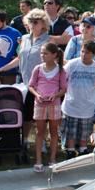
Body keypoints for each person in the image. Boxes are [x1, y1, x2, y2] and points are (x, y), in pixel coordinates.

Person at [0, 8, 50, 150]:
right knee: (26, 114)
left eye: (36, 21)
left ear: (43, 23)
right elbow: (19, 58)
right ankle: (25, 140)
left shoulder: (48, 39)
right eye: (30, 21)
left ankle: (42, 140)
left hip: (42, 84)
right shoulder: (24, 39)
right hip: (25, 83)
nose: (33, 24)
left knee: (40, 116)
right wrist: (3, 69)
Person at [61, 41, 95, 159]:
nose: (84, 55)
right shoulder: (72, 64)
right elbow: (63, 77)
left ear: (94, 54)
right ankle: (70, 149)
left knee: (85, 129)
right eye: (82, 51)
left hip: (87, 103)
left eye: (88, 53)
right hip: (72, 103)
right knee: (71, 128)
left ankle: (83, 148)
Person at [27, 42, 67, 171]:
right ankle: (38, 160)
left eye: (45, 53)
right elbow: (31, 85)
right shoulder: (38, 68)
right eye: (41, 53)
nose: (42, 55)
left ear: (54, 55)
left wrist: (55, 96)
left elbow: (64, 89)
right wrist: (37, 95)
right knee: (40, 132)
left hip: (54, 105)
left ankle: (52, 159)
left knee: (54, 132)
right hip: (40, 104)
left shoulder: (60, 70)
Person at [0, 10, 22, 85]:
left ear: (4, 21)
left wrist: (16, 56)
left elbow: (21, 50)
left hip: (10, 72)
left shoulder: (15, 33)